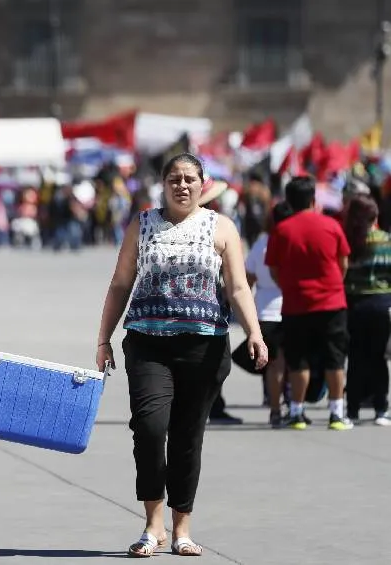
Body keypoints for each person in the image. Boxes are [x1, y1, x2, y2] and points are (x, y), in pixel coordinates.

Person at [95, 153, 267, 558]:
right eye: (175, 178)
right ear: (163, 183)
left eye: (190, 179)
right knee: (151, 429)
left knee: (189, 437)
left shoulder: (222, 227)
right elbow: (120, 283)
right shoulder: (142, 224)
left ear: (202, 184)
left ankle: (182, 528)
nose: (182, 185)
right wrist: (103, 338)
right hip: (148, 344)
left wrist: (255, 333)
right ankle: (153, 525)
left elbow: (239, 288)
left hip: (204, 347)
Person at [265, 176, 355, 431]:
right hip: (332, 303)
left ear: (288, 201)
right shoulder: (331, 225)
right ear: (314, 199)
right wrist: (333, 285)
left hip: (295, 304)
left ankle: (296, 412)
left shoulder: (281, 230)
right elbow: (343, 262)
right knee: (334, 359)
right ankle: (337, 413)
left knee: (298, 359)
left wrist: (289, 287)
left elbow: (273, 269)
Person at [243, 201, 295, 427]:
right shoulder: (295, 238)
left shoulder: (261, 243)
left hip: (265, 309)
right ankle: (294, 406)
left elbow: (248, 279)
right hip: (294, 306)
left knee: (275, 365)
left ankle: (274, 410)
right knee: (295, 363)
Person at [341, 195, 391, 425]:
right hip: (381, 303)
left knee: (356, 357)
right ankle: (381, 408)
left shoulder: (349, 241)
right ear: (375, 216)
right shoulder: (386, 241)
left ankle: (352, 410)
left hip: (353, 304)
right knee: (379, 357)